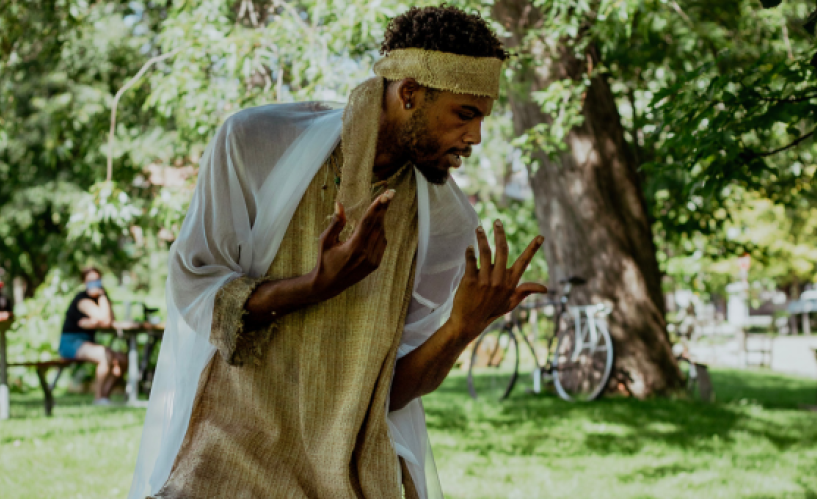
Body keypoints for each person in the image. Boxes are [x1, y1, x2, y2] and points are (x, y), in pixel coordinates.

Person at [128, 7, 546, 499]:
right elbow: (194, 289)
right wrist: (315, 286)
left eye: (481, 118)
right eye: (465, 114)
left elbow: (385, 394)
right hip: (234, 456)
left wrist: (462, 327)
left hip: (355, 470)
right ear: (409, 93)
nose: (475, 138)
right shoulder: (255, 145)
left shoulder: (449, 224)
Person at [58, 267, 127, 405]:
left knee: (123, 359)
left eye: (97, 280)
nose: (94, 283)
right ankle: (98, 397)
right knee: (105, 355)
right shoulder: (82, 299)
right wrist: (100, 316)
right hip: (71, 343)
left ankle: (104, 396)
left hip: (87, 343)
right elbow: (105, 318)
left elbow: (109, 320)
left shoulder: (102, 297)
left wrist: (102, 297)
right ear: (84, 282)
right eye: (91, 280)